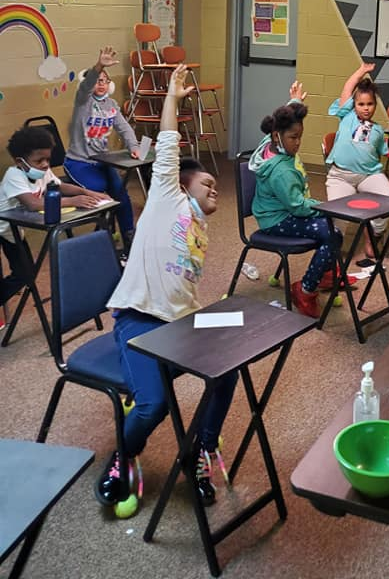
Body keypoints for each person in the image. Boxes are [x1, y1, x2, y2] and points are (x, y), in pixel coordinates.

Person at [96, 64, 235, 513]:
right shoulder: (167, 197)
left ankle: (200, 452)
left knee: (227, 368)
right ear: (180, 185)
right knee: (152, 406)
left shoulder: (201, 228)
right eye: (208, 184)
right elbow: (171, 147)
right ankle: (123, 456)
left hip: (178, 323)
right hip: (138, 319)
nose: (215, 190)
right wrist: (173, 99)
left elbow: (182, 288)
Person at [249, 82, 341, 319]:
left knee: (331, 229)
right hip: (277, 219)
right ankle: (305, 289)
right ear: (278, 136)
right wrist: (323, 208)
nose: (298, 143)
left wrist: (295, 103)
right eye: (293, 138)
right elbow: (298, 207)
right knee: (332, 233)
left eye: (300, 136)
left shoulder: (269, 142)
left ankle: (325, 271)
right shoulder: (282, 171)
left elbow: (281, 121)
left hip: (283, 210)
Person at [0, 126, 106, 306]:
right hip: (3, 229)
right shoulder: (14, 175)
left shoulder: (42, 171)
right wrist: (73, 201)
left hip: (14, 231)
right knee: (22, 275)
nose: (45, 164)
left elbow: (60, 187)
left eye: (47, 159)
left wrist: (86, 192)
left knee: (26, 274)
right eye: (39, 160)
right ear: (20, 161)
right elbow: (32, 204)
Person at [64, 46, 141, 251]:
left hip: (103, 162)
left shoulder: (112, 104)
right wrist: (99, 67)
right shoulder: (84, 102)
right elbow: (87, 84)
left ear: (110, 85)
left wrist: (133, 147)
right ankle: (101, 239)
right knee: (100, 194)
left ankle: (127, 235)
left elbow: (125, 129)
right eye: (98, 80)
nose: (101, 84)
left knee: (121, 196)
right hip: (79, 162)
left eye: (105, 80)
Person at [326, 62, 389, 266]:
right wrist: (361, 71)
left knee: (388, 201)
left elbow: (384, 153)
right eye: (361, 104)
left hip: (368, 175)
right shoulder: (346, 116)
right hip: (341, 175)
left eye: (370, 104)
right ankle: (332, 252)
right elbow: (348, 88)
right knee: (338, 216)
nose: (365, 108)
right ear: (354, 105)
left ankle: (371, 238)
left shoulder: (378, 129)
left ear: (375, 105)